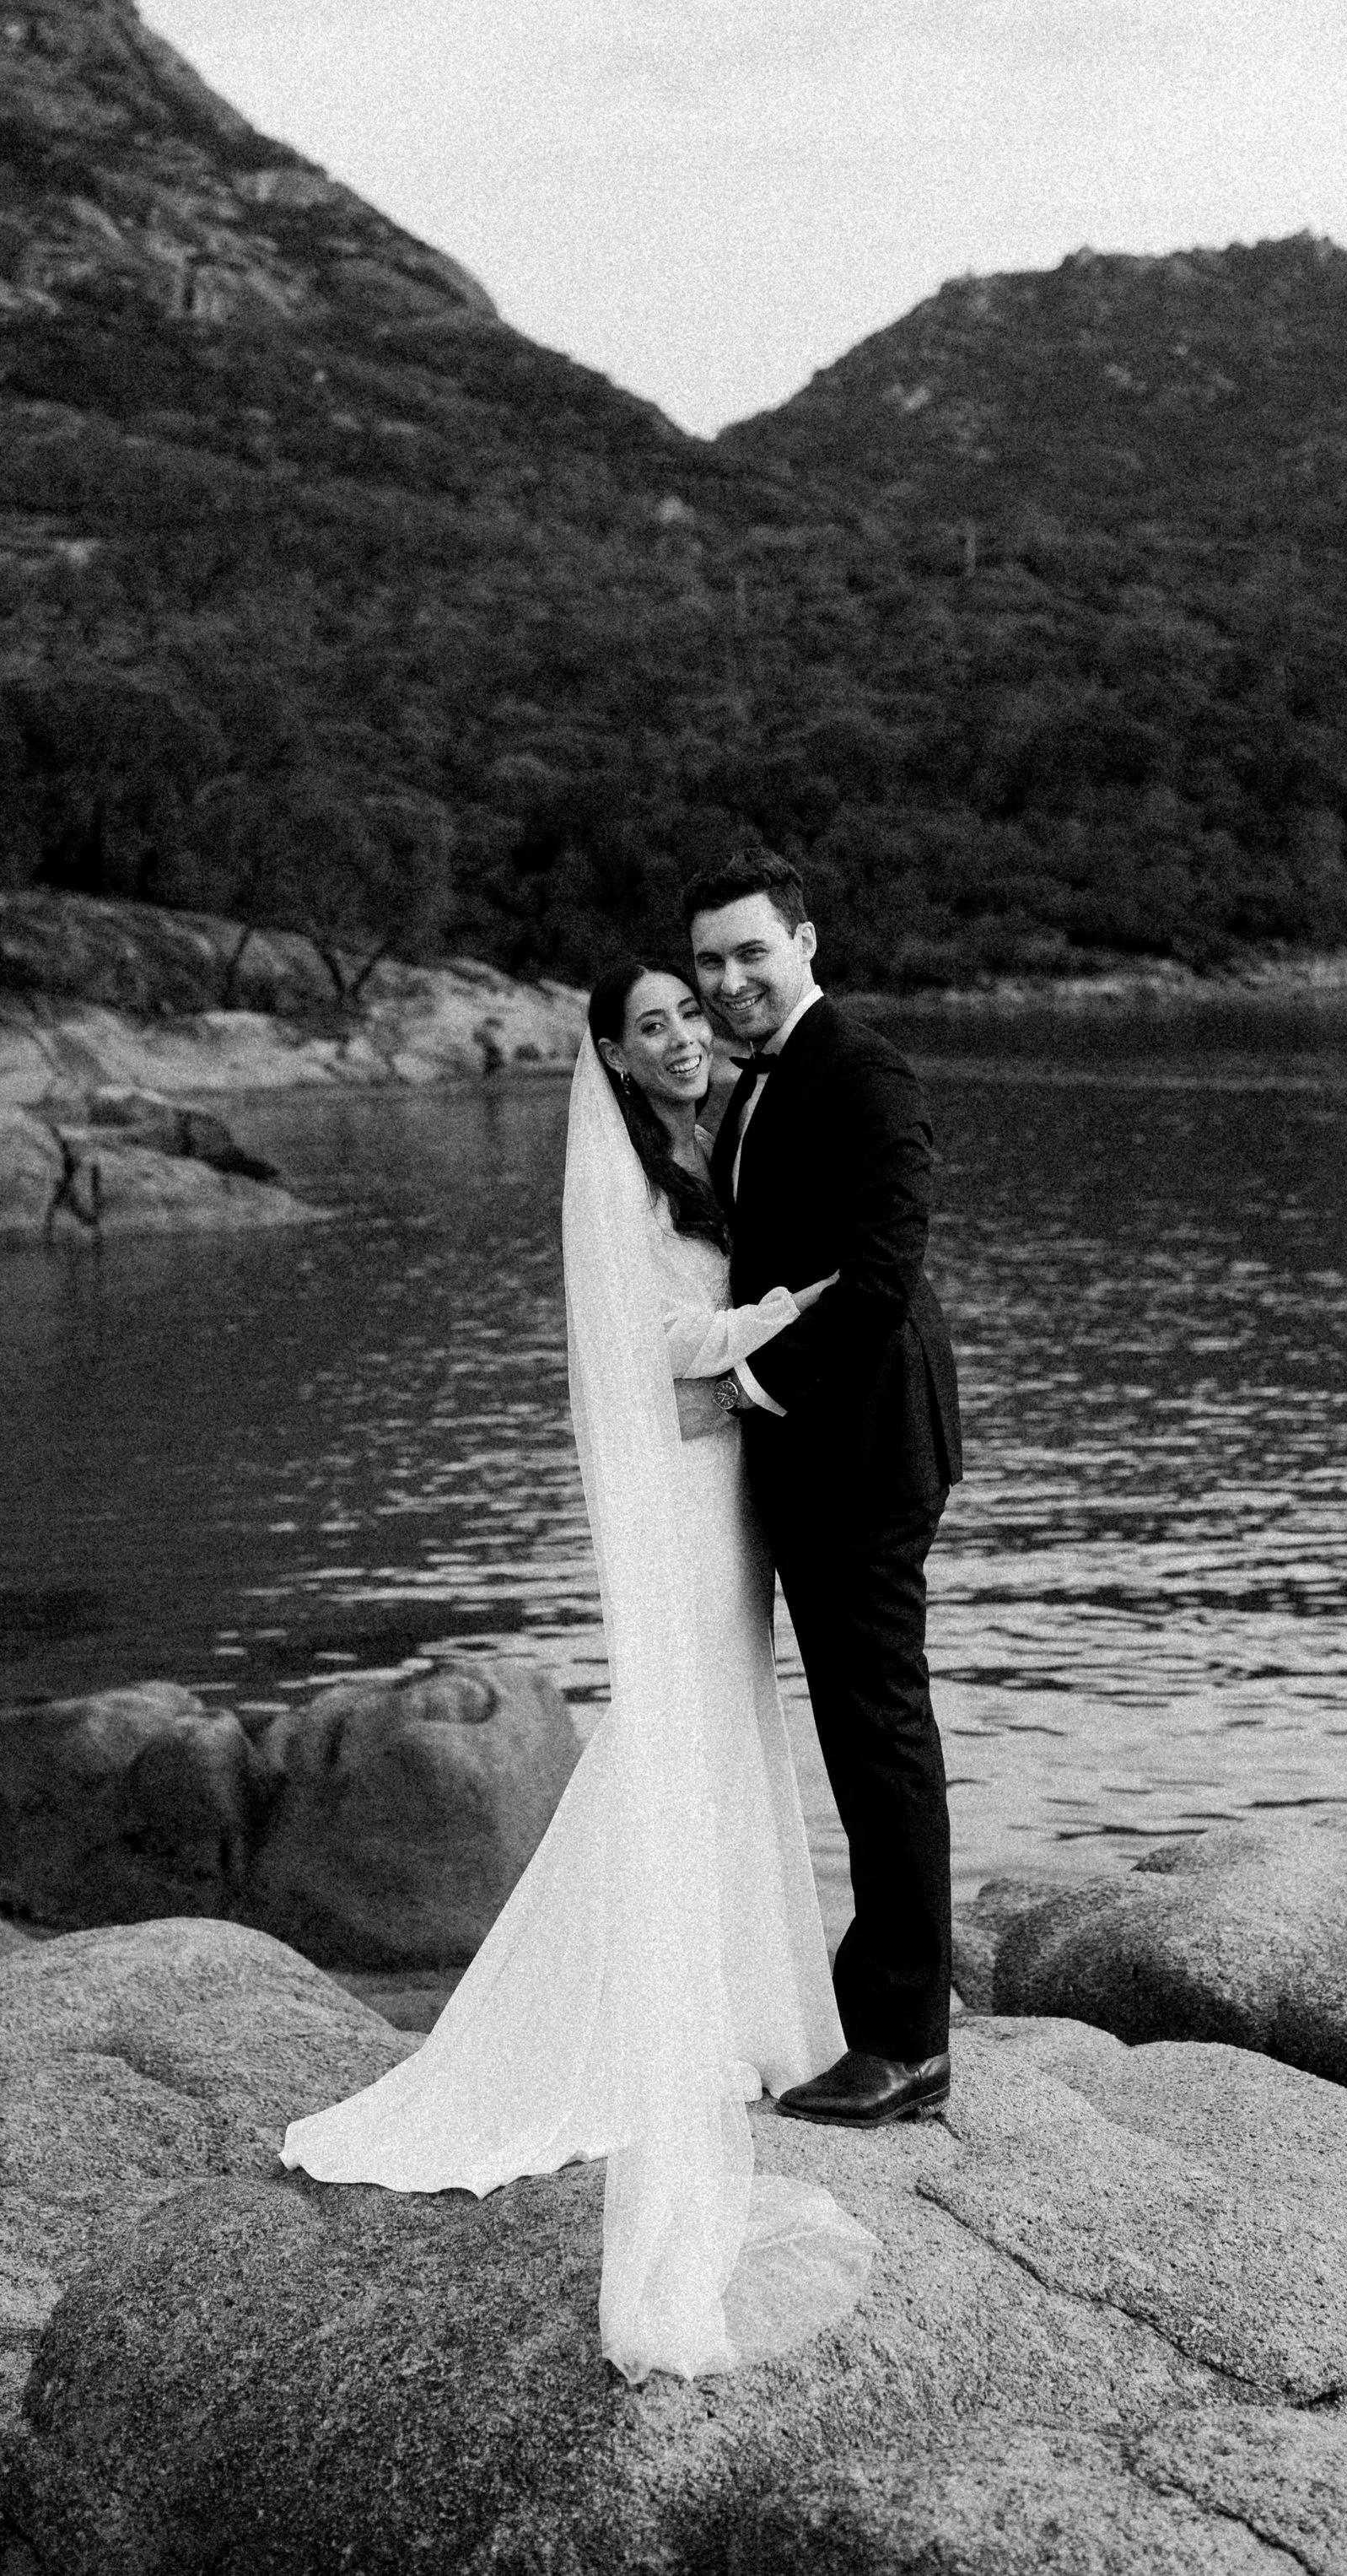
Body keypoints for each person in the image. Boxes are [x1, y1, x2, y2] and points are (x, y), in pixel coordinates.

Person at [282, 961, 874, 2384]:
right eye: (652, 1026)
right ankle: (654, 2019)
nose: (680, 1038)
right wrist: (786, 1313)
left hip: (732, 1474)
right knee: (670, 1736)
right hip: (684, 1490)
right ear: (610, 1053)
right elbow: (645, 1342)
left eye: (690, 1016)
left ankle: (740, 2004)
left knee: (726, 1727)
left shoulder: (721, 1129)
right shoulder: (619, 1178)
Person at [685, 851, 962, 2127]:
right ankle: (868, 1997)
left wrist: (743, 1385)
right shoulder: (756, 1088)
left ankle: (908, 2036)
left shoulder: (863, 1071)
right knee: (857, 1724)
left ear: (807, 942)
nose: (731, 978)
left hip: (862, 1444)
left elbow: (880, 1276)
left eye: (752, 951)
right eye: (709, 962)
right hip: (809, 1445)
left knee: (877, 1727)